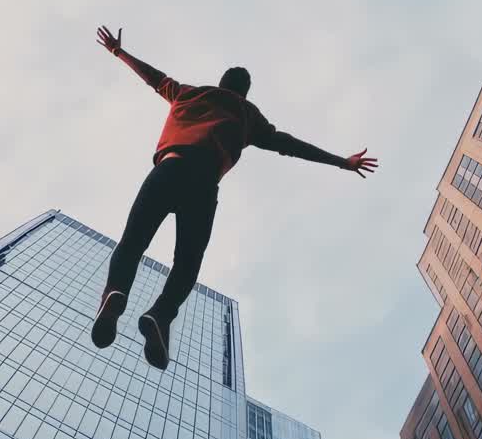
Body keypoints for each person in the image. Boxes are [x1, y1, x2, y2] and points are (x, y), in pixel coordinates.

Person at [91, 25, 378, 370]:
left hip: (169, 168)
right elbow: (289, 145)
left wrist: (119, 52)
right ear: (244, 92)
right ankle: (160, 315)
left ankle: (116, 293)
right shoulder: (247, 114)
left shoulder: (187, 93)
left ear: (222, 82)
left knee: (133, 242)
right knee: (186, 265)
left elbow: (153, 77)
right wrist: (341, 162)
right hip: (204, 184)